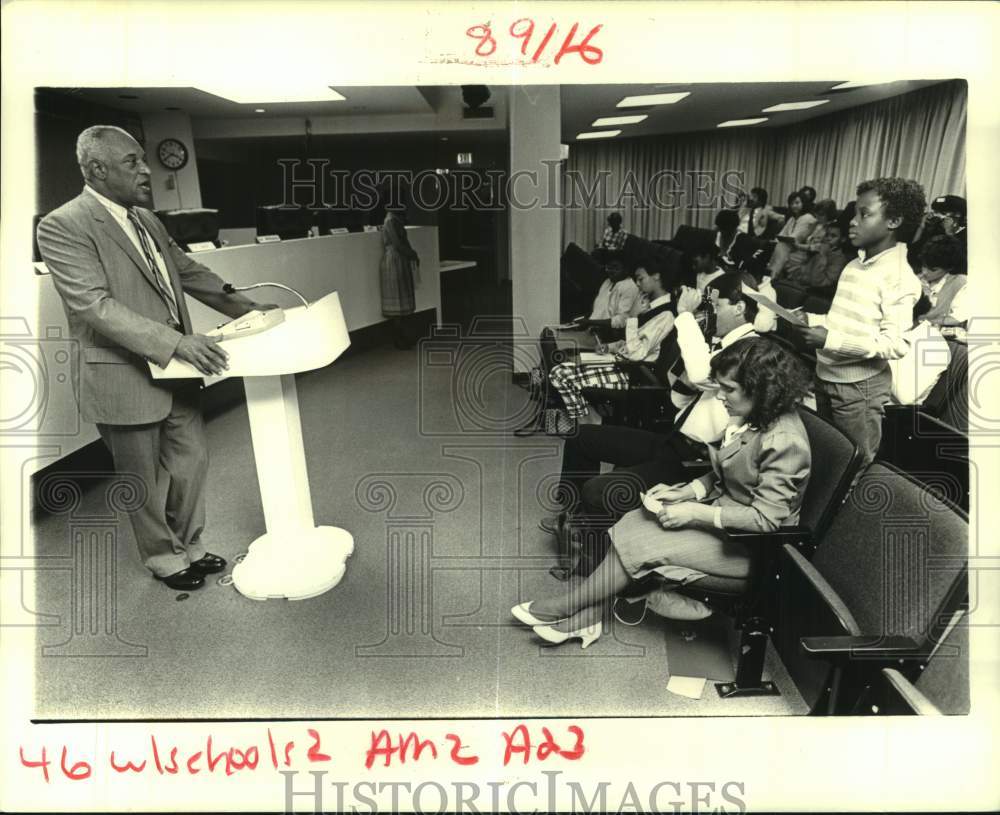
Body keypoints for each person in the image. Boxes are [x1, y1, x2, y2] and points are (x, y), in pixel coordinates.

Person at [36, 125, 274, 591]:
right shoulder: (63, 225)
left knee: (193, 462)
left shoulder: (147, 220)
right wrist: (175, 343)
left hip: (177, 372)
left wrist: (249, 307)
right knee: (141, 480)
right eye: (133, 162)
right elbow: (93, 304)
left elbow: (189, 272)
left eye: (143, 159)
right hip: (122, 375)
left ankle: (191, 545)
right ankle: (164, 558)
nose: (146, 170)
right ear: (97, 169)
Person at [514, 337, 812, 644]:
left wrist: (695, 511)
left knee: (643, 542)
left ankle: (571, 607)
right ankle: (587, 616)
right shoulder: (753, 417)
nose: (720, 396)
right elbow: (729, 470)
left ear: (761, 389)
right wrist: (690, 492)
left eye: (729, 389)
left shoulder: (785, 441)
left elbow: (767, 521)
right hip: (728, 521)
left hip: (752, 549)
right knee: (635, 522)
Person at [541, 274, 761, 559]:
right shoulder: (723, 343)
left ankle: (590, 559)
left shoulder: (750, 351)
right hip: (673, 440)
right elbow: (679, 393)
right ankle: (571, 518)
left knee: (598, 491)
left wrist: (684, 317)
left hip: (693, 461)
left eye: (716, 307)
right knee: (581, 437)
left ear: (740, 308)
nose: (711, 313)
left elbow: (699, 374)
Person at [792, 176, 926, 469]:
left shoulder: (900, 278)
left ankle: (846, 515)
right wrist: (812, 320)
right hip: (826, 374)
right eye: (854, 213)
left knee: (852, 467)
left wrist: (829, 340)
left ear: (894, 222)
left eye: (864, 214)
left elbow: (896, 344)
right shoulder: (856, 264)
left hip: (859, 389)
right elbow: (844, 320)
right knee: (825, 458)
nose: (852, 221)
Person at [547, 264, 675, 428]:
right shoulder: (651, 306)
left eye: (641, 278)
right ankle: (591, 423)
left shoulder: (666, 314)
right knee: (560, 370)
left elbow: (637, 353)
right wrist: (609, 347)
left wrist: (633, 318)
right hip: (621, 362)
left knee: (559, 374)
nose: (637, 283)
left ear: (656, 276)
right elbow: (632, 343)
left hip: (633, 373)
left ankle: (591, 424)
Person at [380, 200, 421, 349]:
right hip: (394, 260)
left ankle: (403, 336)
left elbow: (403, 242)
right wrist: (412, 254)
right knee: (397, 299)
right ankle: (399, 338)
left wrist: (412, 254)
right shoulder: (391, 220)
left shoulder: (394, 219)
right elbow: (398, 244)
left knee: (402, 298)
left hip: (399, 259)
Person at [914, 235, 968, 328]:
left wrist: (925, 322)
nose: (924, 272)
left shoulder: (960, 283)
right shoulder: (915, 279)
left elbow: (958, 319)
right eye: (924, 265)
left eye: (933, 269)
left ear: (948, 268)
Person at [767, 191, 818, 277]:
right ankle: (771, 274)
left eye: (797, 203)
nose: (794, 206)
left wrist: (783, 240)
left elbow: (797, 237)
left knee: (782, 246)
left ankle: (772, 275)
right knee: (774, 245)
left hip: (801, 249)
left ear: (804, 203)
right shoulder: (792, 219)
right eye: (791, 203)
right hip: (789, 246)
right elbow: (782, 233)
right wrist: (775, 240)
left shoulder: (808, 218)